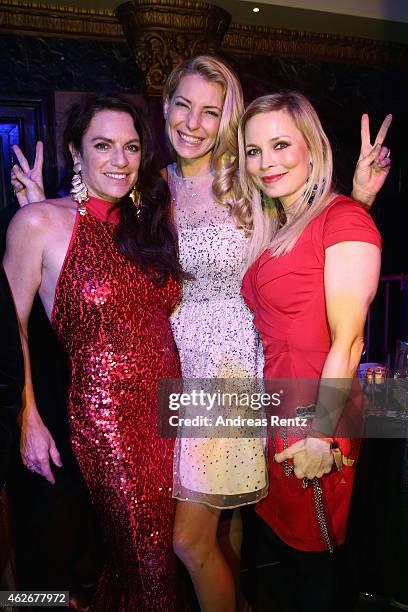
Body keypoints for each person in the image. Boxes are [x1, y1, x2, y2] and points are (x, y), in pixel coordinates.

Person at [11, 56, 392, 612]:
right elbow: (97, 262)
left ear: (226, 120)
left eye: (211, 112)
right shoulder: (148, 190)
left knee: (187, 539)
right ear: (164, 108)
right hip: (158, 378)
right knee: (210, 531)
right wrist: (40, 215)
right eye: (183, 105)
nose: (193, 122)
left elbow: (315, 249)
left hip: (227, 373)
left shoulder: (251, 186)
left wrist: (358, 201)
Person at [4, 94, 184, 610]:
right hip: (106, 421)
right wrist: (28, 417)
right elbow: (13, 331)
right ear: (75, 153)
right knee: (148, 563)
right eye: (103, 145)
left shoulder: (148, 223)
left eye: (130, 147)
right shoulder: (38, 222)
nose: (120, 160)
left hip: (167, 410)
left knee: (142, 560)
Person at [239, 91, 384, 611]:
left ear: (312, 148)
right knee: (294, 556)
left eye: (280, 145)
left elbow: (349, 339)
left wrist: (321, 434)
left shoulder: (342, 218)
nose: (265, 162)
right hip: (280, 409)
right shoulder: (286, 225)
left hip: (316, 414)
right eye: (253, 151)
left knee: (315, 559)